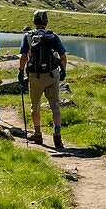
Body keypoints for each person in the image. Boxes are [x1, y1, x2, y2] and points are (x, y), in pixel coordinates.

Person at [18, 9, 68, 149]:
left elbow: (23, 57)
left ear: (34, 22)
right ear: (46, 22)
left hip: (35, 77)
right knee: (55, 107)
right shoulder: (52, 36)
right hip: (52, 75)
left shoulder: (28, 36)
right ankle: (57, 135)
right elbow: (63, 56)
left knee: (35, 106)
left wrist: (21, 72)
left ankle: (38, 134)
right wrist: (63, 71)